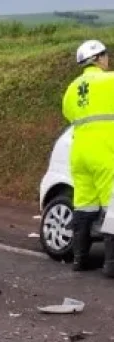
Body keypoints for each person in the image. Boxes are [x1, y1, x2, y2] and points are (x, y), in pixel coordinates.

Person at [63, 39, 114, 276]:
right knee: (111, 208)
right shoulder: (109, 80)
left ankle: (79, 259)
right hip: (105, 153)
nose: (108, 59)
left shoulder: (72, 88)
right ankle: (111, 266)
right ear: (96, 59)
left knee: (84, 207)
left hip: (79, 154)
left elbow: (69, 114)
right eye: (105, 55)